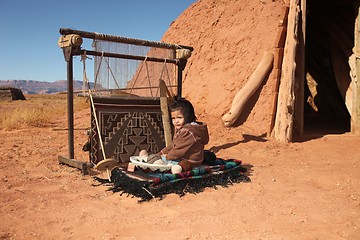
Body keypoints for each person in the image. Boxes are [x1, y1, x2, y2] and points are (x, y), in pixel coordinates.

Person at [144, 98, 209, 174]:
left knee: (161, 162)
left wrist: (166, 157)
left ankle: (154, 163)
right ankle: (151, 159)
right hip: (187, 158)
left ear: (188, 116)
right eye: (173, 118)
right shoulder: (184, 129)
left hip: (190, 161)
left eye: (179, 117)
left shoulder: (188, 131)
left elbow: (178, 150)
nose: (176, 121)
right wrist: (161, 153)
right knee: (158, 158)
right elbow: (173, 144)